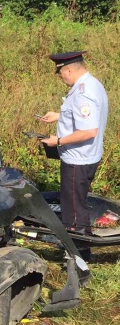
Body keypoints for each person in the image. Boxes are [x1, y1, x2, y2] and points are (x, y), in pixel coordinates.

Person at [38, 51, 108, 238]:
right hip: (86, 156)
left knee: (73, 210)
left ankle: (78, 252)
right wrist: (58, 116)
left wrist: (57, 141)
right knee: (77, 202)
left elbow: (88, 131)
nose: (60, 78)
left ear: (68, 70)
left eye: (60, 73)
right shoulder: (91, 84)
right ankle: (80, 244)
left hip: (78, 159)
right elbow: (83, 116)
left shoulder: (83, 93)